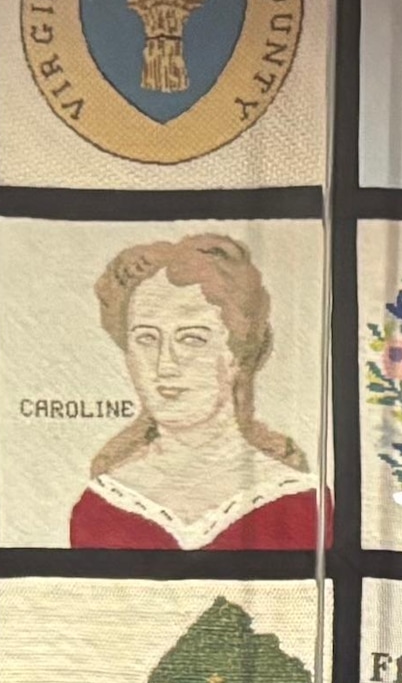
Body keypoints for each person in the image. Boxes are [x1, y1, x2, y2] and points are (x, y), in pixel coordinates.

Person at [67, 231, 324, 551]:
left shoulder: (301, 504)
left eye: (191, 339)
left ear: (236, 353)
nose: (165, 365)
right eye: (147, 339)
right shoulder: (101, 508)